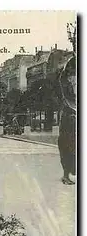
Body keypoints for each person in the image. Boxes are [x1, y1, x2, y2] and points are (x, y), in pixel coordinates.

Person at [58, 56, 76, 185]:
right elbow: (66, 96)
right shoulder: (71, 62)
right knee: (68, 145)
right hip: (69, 115)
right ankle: (66, 175)